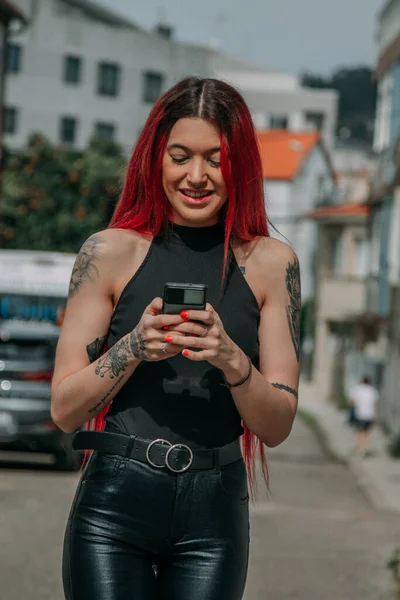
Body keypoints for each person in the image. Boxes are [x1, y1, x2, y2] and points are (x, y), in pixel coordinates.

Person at [51, 77, 301, 600]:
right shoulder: (107, 252)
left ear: (241, 167)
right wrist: (133, 347)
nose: (196, 176)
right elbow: (64, 409)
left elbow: (277, 425)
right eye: (180, 156)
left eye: (216, 159)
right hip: (114, 504)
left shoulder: (272, 265)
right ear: (155, 159)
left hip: (215, 511)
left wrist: (233, 360)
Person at [348, 375, 379, 457]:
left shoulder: (357, 390)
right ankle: (364, 449)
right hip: (369, 415)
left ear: (362, 381)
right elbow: (374, 405)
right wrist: (375, 416)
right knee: (366, 433)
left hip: (360, 414)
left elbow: (351, 402)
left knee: (359, 432)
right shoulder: (373, 391)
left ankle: (359, 449)